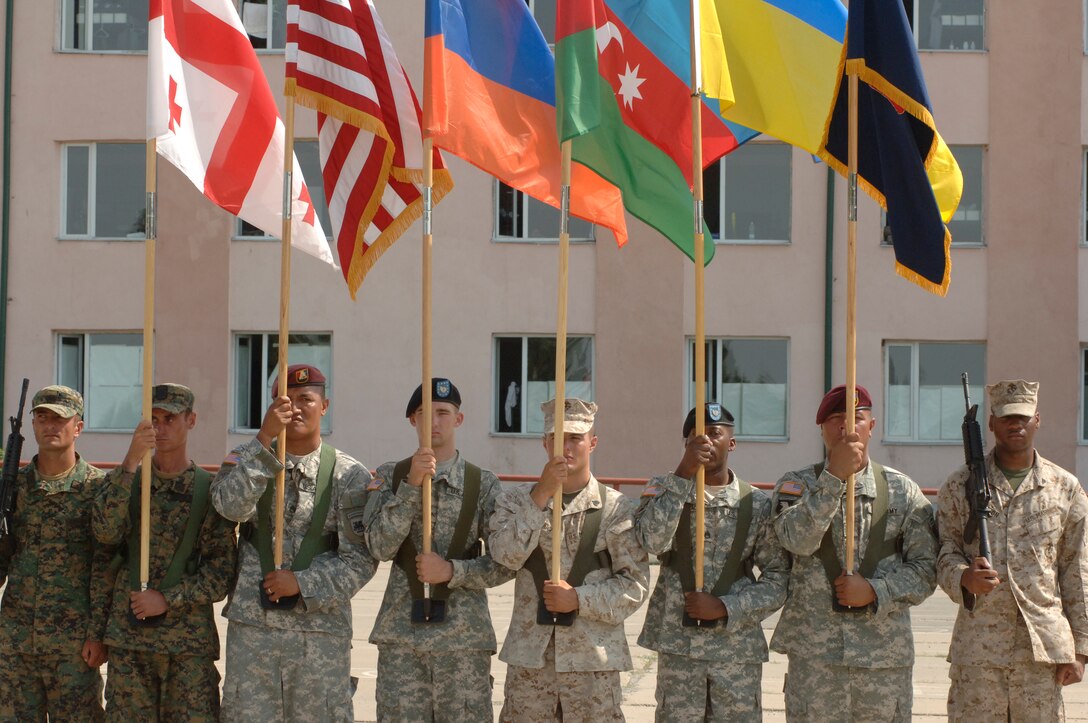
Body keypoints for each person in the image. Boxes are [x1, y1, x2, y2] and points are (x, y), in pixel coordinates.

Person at [211, 364, 376, 722]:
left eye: (307, 399)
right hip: (254, 630)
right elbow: (228, 507)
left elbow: (361, 560)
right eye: (285, 400)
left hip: (318, 633)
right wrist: (263, 443)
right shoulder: (245, 457)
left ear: (325, 405)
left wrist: (301, 583)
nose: (297, 408)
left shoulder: (348, 475)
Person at [770, 384, 937, 722]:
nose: (847, 428)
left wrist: (876, 590)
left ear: (871, 426)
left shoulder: (901, 491)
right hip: (816, 661)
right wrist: (834, 477)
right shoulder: (796, 486)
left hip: (882, 661)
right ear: (821, 429)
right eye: (835, 419)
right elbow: (796, 540)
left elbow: (927, 570)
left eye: (856, 419)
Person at [488, 398, 649, 721]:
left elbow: (635, 586)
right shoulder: (515, 502)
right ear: (544, 443)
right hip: (531, 664)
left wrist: (578, 598)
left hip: (592, 664)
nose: (566, 447)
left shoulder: (616, 509)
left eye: (575, 438)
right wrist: (541, 496)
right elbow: (504, 554)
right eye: (557, 438)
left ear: (593, 442)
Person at [937, 379, 1088, 721]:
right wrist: (963, 578)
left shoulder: (1065, 488)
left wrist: (1080, 650)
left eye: (1022, 417)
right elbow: (944, 551)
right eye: (1006, 417)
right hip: (979, 654)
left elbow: (1076, 570)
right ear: (991, 423)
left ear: (1038, 419)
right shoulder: (960, 485)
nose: (1015, 424)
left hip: (1041, 654)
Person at [363, 378, 512, 721]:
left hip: (463, 642)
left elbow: (506, 562)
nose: (434, 422)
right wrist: (412, 486)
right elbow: (378, 546)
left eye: (443, 413)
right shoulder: (389, 477)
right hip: (402, 640)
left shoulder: (483, 484)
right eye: (424, 413)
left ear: (458, 420)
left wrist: (453, 572)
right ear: (412, 420)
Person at [92, 383, 237, 720]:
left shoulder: (209, 491)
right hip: (130, 644)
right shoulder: (128, 483)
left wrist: (168, 598)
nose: (160, 427)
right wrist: (129, 461)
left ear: (191, 420)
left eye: (170, 418)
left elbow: (220, 574)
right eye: (153, 419)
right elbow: (104, 533)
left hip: (186, 647)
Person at [635, 403, 789, 722]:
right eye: (696, 436)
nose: (705, 441)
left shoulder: (755, 504)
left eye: (715, 434)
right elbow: (650, 541)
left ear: (730, 443)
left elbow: (779, 579)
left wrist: (727, 606)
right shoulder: (665, 489)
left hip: (735, 652)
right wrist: (683, 474)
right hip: (680, 649)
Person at [0, 385, 112, 720]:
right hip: (16, 642)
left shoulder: (97, 488)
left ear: (78, 427)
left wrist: (98, 634)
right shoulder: (13, 487)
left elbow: (105, 568)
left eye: (60, 418)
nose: (51, 425)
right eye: (43, 417)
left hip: (74, 646)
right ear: (32, 425)